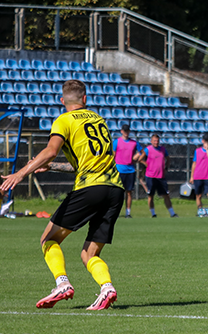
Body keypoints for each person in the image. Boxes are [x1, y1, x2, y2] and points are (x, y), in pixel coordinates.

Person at [0, 79, 124, 310]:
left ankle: (62, 284)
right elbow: (88, 163)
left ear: (61, 101)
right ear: (85, 100)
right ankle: (107, 287)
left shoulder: (64, 120)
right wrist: (54, 166)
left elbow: (51, 150)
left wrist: (20, 174)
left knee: (49, 239)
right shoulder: (99, 120)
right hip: (115, 189)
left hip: (90, 188)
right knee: (89, 253)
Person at [142, 134, 178, 218]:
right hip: (150, 176)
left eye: (157, 141)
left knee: (166, 195)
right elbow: (140, 159)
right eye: (154, 141)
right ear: (151, 141)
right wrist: (146, 164)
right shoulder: (148, 149)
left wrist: (166, 168)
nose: (156, 142)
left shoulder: (163, 150)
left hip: (161, 176)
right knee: (151, 195)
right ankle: (153, 213)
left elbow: (168, 159)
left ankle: (172, 213)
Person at [112, 123, 143, 218]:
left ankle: (128, 212)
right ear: (121, 131)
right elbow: (113, 154)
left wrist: (137, 157)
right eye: (124, 131)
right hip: (119, 169)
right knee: (118, 192)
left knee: (129, 192)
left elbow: (142, 152)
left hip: (130, 170)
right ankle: (115, 211)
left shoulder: (134, 143)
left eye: (127, 131)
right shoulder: (117, 142)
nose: (126, 133)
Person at [191, 133, 208, 216]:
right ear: (203, 141)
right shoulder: (197, 151)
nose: (207, 142)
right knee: (198, 195)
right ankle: (200, 211)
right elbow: (194, 163)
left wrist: (207, 150)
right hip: (198, 176)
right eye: (205, 141)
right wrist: (192, 176)